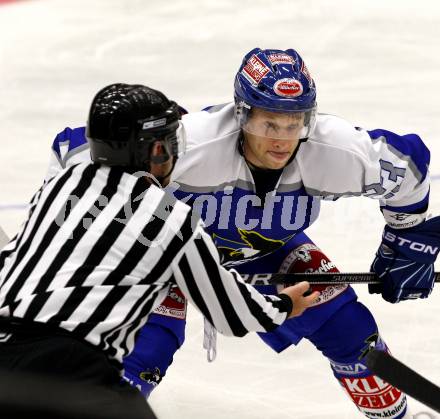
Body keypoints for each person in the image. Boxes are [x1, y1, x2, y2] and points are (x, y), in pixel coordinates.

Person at [42, 49, 440, 419]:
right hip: (168, 253)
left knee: (350, 331)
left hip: (266, 249)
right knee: (147, 351)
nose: (283, 137)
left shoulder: (335, 151)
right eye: (269, 122)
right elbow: (73, 151)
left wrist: (407, 241)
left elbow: (408, 166)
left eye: (294, 122)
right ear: (241, 114)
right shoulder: (190, 142)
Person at [0, 83, 320, 418]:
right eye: (171, 143)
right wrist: (284, 304)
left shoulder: (56, 189)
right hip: (70, 371)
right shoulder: (169, 217)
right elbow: (231, 313)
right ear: (155, 152)